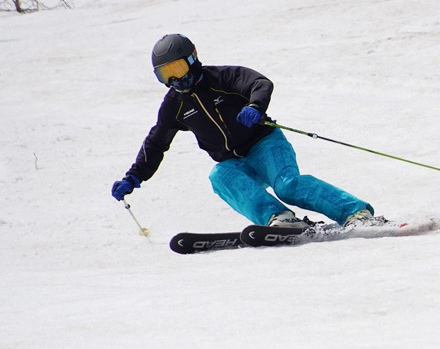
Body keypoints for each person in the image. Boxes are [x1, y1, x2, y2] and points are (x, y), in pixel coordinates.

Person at [111, 34, 381, 228]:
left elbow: (259, 83)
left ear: (192, 59)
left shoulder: (222, 77)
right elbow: (157, 142)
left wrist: (255, 105)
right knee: (220, 177)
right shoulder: (175, 106)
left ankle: (356, 213)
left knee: (288, 186)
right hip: (232, 162)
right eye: (165, 74)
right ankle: (280, 220)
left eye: (178, 68)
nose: (175, 79)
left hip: (265, 145)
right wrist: (134, 177)